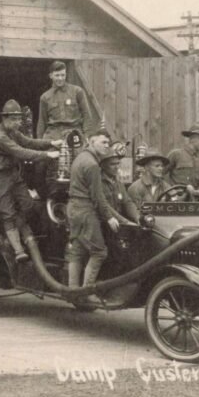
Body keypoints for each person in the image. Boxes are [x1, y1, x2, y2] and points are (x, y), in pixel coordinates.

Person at [0, 99, 61, 262]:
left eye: (19, 119)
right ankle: (19, 251)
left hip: (11, 174)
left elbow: (29, 142)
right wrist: (47, 155)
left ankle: (23, 230)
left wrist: (51, 143)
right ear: (5, 119)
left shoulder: (13, 132)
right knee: (8, 214)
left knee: (29, 205)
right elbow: (21, 152)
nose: (19, 123)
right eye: (15, 119)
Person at [65, 129, 120, 303]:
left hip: (73, 209)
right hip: (85, 210)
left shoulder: (80, 158)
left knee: (78, 250)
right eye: (103, 142)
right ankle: (88, 291)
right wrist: (109, 217)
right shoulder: (93, 164)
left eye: (108, 143)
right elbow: (98, 197)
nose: (107, 146)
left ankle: (73, 290)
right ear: (91, 141)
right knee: (99, 252)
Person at [37, 61, 93, 140]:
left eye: (63, 75)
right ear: (51, 76)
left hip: (74, 133)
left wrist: (87, 136)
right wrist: (40, 142)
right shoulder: (45, 97)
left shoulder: (77, 91)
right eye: (57, 75)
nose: (60, 78)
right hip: (53, 135)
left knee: (79, 151)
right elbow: (42, 122)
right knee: (50, 152)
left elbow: (87, 115)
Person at [167, 121, 199, 190]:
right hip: (174, 198)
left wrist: (195, 194)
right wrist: (171, 191)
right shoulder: (176, 155)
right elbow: (160, 175)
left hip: (195, 199)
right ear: (192, 138)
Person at [100, 146, 140, 223]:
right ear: (103, 165)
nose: (117, 167)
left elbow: (127, 202)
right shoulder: (98, 182)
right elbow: (105, 206)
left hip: (118, 223)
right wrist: (125, 222)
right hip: (104, 224)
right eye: (112, 164)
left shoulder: (118, 183)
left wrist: (137, 217)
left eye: (118, 163)